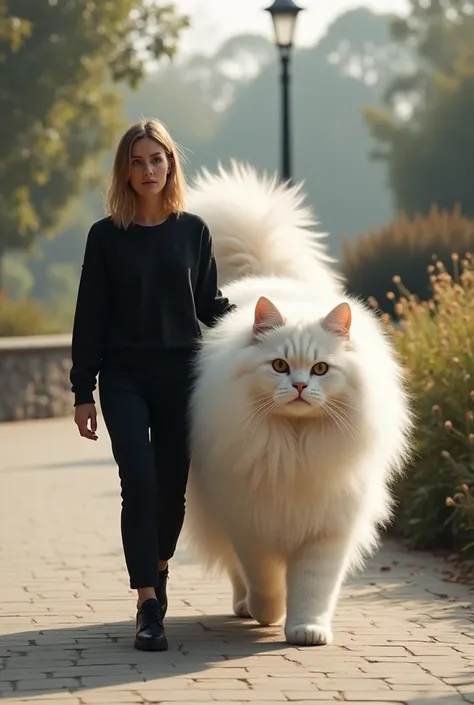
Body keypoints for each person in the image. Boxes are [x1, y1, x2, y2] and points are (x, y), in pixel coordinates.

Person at [69, 118, 235, 652]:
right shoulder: (105, 237)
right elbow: (88, 319)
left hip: (182, 375)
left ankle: (158, 566)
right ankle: (146, 603)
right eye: (137, 161)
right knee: (137, 482)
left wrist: (268, 322)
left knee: (170, 490)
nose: (148, 170)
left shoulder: (194, 231)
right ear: (125, 170)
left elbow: (210, 307)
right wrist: (81, 392)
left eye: (156, 160)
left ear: (170, 164)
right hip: (124, 377)